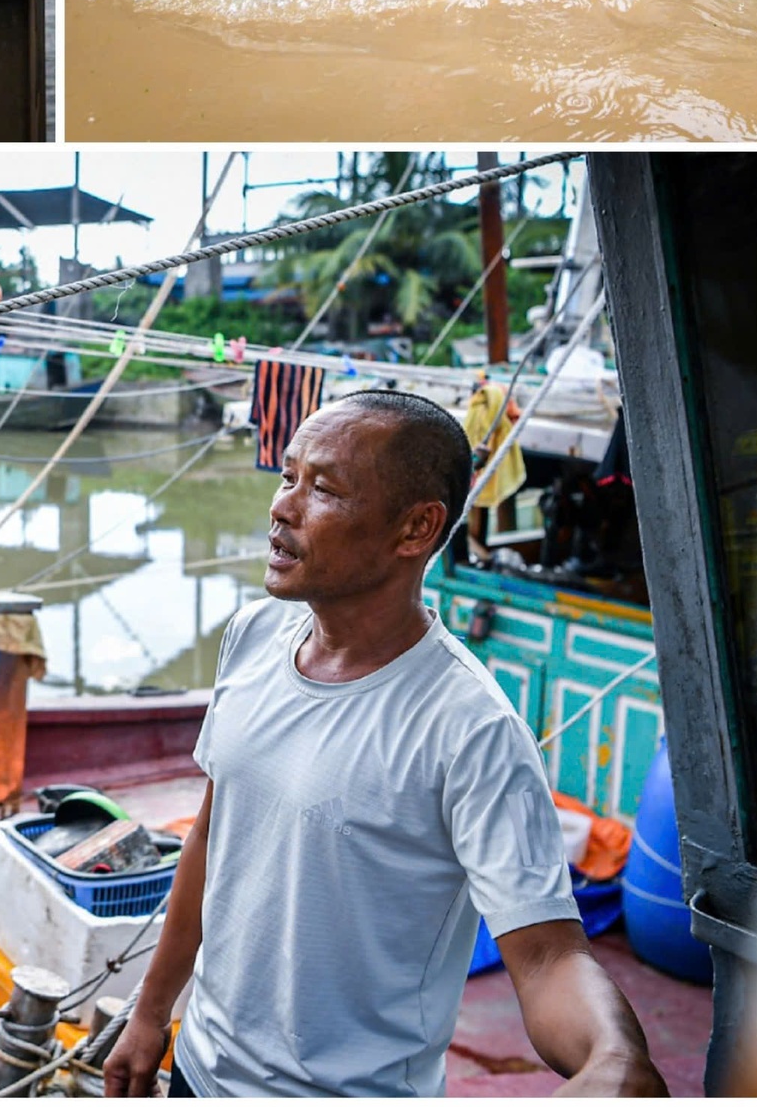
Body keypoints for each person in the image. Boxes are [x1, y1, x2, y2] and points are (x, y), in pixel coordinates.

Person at [102, 392, 666, 1099]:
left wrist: (613, 1054)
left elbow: (548, 953)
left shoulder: (470, 729)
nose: (282, 507)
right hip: (202, 1071)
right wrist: (152, 1012)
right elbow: (214, 836)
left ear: (415, 530)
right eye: (288, 477)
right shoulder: (252, 637)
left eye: (324, 488)